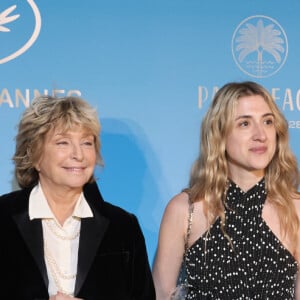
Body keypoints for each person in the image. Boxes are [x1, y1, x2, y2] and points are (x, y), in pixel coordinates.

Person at [152, 81, 300, 299]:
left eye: (268, 122)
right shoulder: (185, 210)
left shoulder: (295, 209)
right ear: (219, 134)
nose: (261, 135)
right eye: (244, 124)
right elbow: (160, 294)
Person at [0, 95, 155, 300]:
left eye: (86, 143)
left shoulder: (123, 227)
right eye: (63, 142)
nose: (78, 155)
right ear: (34, 155)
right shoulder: (3, 219)